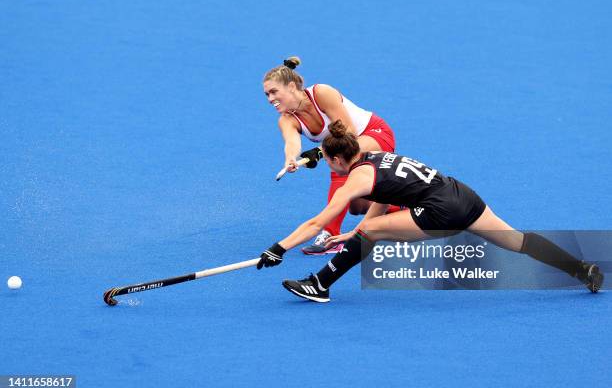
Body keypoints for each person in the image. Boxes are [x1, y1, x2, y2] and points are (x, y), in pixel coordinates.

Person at [256, 120, 604, 302]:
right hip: (462, 195)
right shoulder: (375, 156)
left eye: (330, 163)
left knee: (372, 234)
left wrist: (279, 248)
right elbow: (382, 198)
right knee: (517, 241)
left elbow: (319, 221)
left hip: (440, 210)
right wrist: (357, 230)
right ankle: (581, 269)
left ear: (334, 160)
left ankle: (319, 284)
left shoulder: (353, 180)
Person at [263, 56, 398, 255]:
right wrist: (291, 159)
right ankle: (410, 208)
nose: (270, 99)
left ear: (291, 86)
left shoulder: (322, 93)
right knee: (357, 207)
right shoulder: (286, 120)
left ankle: (330, 234)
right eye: (267, 94)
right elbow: (292, 142)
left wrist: (319, 152)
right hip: (345, 148)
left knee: (339, 161)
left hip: (374, 134)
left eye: (274, 92)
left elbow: (349, 133)